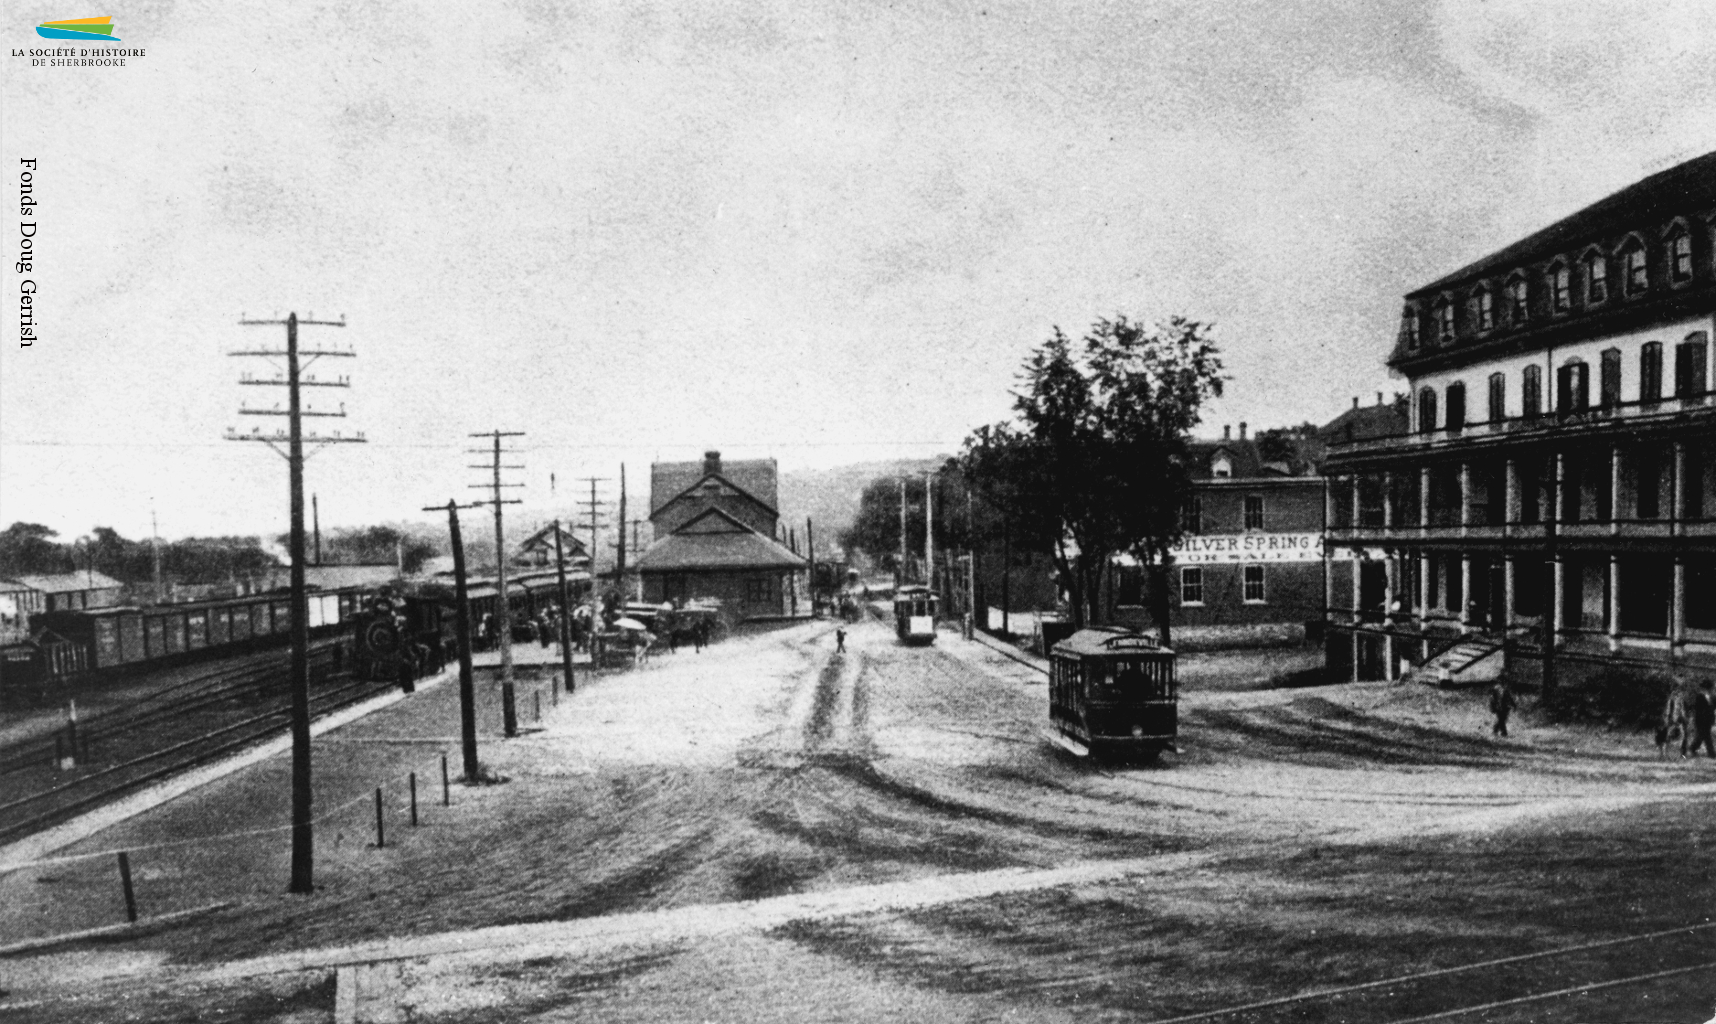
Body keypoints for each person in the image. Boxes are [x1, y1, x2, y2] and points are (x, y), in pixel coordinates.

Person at [1690, 680, 1716, 759]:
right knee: (1705, 736)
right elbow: (1697, 709)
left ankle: (1692, 748)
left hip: (1708, 719)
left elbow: (1713, 707)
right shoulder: (1699, 696)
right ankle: (1711, 753)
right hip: (1700, 719)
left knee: (1702, 736)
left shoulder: (1712, 697)